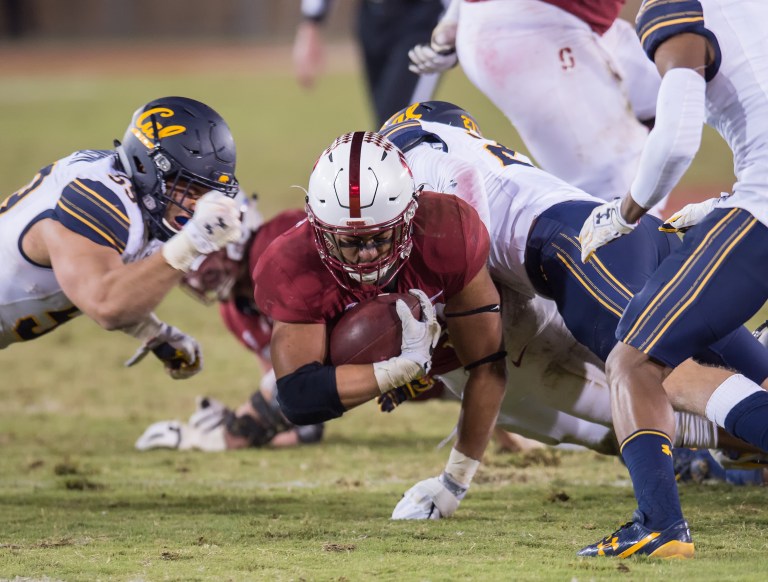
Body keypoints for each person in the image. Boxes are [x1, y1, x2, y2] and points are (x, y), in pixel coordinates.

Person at [379, 100, 768, 507]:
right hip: (626, 235)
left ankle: (665, 519)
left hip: (573, 254)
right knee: (755, 376)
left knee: (658, 377)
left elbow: (468, 242)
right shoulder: (475, 154)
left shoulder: (419, 160)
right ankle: (742, 442)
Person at [577, 0, 768, 558]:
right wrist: (722, 200)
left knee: (633, 359)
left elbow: (676, 138)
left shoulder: (678, 9)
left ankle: (659, 526)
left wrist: (624, 212)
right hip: (752, 198)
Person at [252, 130, 507, 520]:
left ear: (408, 216)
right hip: (442, 372)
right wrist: (396, 371)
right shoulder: (293, 264)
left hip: (506, 348)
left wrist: (454, 483)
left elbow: (489, 365)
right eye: (350, 243)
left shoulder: (446, 230)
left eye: (379, 237)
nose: (366, 256)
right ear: (318, 229)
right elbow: (297, 398)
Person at [0, 96, 242, 380]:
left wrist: (151, 330)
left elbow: (88, 274)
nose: (195, 205)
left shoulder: (131, 194)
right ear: (148, 166)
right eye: (188, 188)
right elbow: (106, 304)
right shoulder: (97, 198)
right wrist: (193, 241)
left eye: (205, 192)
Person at [406, 0, 664, 206]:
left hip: (572, 24)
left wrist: (454, 15)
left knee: (664, 100)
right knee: (614, 185)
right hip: (534, 27)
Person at [134, 205, 325, 451]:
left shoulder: (274, 244)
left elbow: (319, 343)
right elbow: (288, 389)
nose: (197, 274)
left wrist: (234, 430)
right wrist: (279, 421)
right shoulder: (235, 310)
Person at [293, 0, 449, 127]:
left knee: (398, 128)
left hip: (422, 21)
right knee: (385, 128)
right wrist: (311, 24)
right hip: (372, 20)